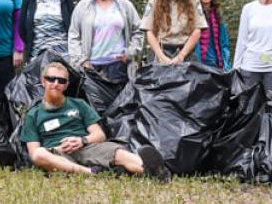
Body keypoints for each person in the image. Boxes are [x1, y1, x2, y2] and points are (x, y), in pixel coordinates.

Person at [21, 61, 165, 176]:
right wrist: (60, 148)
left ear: (66, 85)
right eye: (51, 79)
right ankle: (90, 173)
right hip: (58, 155)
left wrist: (81, 141)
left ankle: (153, 171)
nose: (56, 84)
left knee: (118, 153)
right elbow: (34, 153)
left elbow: (99, 135)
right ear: (43, 81)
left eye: (61, 81)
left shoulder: (79, 104)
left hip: (85, 148)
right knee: (40, 154)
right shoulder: (33, 114)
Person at [66, 0, 141, 82]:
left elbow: (138, 31)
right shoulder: (83, 7)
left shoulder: (124, 5)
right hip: (91, 67)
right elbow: (73, 36)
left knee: (122, 100)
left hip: (119, 66)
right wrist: (81, 61)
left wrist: (130, 52)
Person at [141, 0, 207, 65]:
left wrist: (181, 56)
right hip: (160, 55)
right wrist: (162, 57)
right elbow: (149, 31)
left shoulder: (193, 1)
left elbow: (197, 30)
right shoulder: (154, 2)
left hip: (186, 55)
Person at [195, 0, 232, 70]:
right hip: (198, 66)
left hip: (217, 65)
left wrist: (226, 65)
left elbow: (224, 43)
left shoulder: (217, 14)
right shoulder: (193, 14)